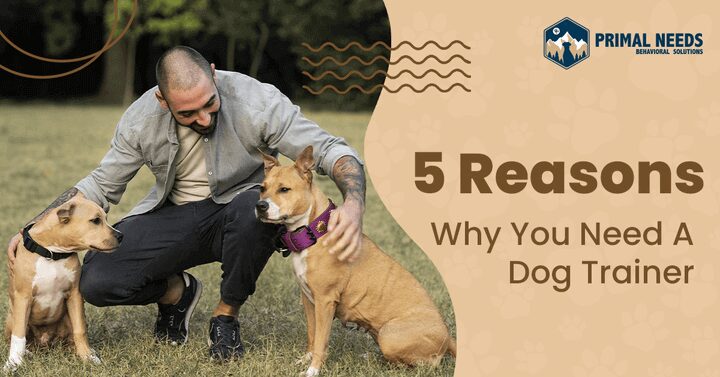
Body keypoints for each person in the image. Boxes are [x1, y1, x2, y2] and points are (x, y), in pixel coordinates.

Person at [6, 46, 366, 361]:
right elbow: (101, 184)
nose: (204, 118)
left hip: (241, 211)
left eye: (210, 104)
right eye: (188, 113)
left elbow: (332, 150)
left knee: (250, 210)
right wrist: (34, 229)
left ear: (212, 73)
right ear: (163, 101)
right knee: (99, 280)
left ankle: (226, 315)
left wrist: (353, 204)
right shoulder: (142, 118)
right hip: (174, 215)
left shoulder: (256, 101)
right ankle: (177, 292)